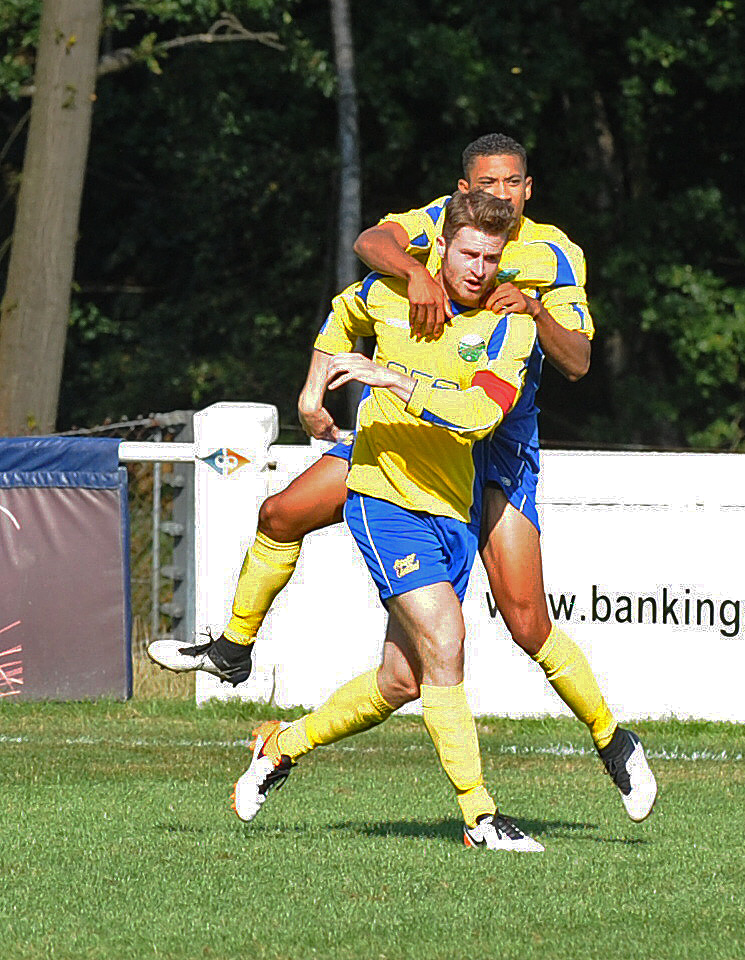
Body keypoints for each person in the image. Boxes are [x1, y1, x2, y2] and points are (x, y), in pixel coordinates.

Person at [149, 133, 657, 823]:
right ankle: (235, 650)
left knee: (522, 626)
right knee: (280, 513)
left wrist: (534, 310)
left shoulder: (554, 254)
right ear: (462, 191)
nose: (496, 196)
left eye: (510, 184)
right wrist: (414, 275)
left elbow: (578, 361)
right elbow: (371, 246)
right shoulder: (444, 220)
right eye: (483, 185)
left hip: (493, 447)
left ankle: (611, 740)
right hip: (412, 439)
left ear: (528, 189)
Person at [232, 188, 547, 850]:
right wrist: (313, 392)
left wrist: (392, 379)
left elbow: (481, 415)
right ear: (442, 248)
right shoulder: (391, 292)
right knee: (447, 643)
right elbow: (342, 316)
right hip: (383, 498)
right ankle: (481, 816)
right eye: (470, 253)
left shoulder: (508, 325)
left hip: (452, 513)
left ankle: (280, 746)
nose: (481, 269)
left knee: (402, 679)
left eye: (493, 257)